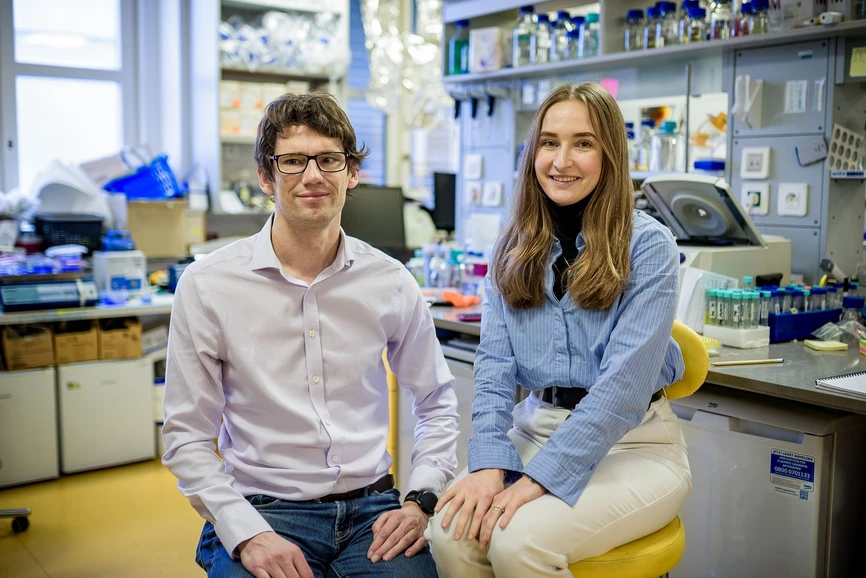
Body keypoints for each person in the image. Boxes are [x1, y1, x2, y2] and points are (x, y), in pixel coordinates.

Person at [162, 91, 460, 578]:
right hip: (263, 508)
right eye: (293, 161)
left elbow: (436, 399)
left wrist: (421, 498)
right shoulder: (209, 285)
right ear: (265, 177)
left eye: (330, 160)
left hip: (373, 512)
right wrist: (248, 532)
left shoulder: (389, 280)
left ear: (353, 174)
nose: (314, 176)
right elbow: (186, 437)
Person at [427, 82, 691, 578]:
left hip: (634, 446)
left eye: (583, 143)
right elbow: (494, 369)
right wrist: (488, 463)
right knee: (449, 532)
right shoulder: (514, 246)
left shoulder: (649, 246)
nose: (561, 160)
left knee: (517, 543)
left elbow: (622, 391)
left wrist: (538, 481)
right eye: (549, 142)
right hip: (535, 429)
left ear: (609, 154)